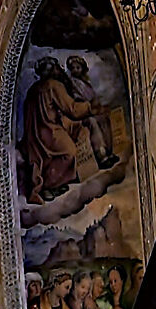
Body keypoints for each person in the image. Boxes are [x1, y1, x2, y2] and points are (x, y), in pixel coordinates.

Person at [20, 57, 107, 201]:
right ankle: (48, 186)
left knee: (81, 128)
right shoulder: (53, 85)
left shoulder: (33, 90)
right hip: (49, 130)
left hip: (36, 133)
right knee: (69, 151)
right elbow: (72, 108)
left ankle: (94, 160)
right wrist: (90, 107)